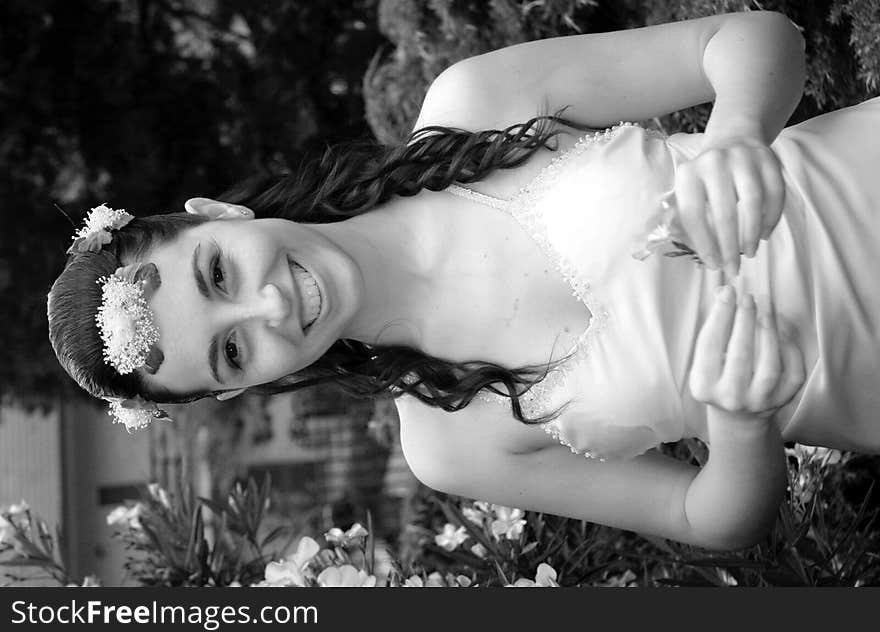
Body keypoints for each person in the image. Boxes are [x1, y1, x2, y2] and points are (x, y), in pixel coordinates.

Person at [48, 10, 880, 551]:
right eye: (231, 353)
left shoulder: (473, 101)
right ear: (237, 390)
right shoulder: (447, 445)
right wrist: (740, 424)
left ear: (216, 212)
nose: (267, 307)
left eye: (218, 272)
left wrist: (736, 133)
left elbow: (748, 40)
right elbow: (715, 517)